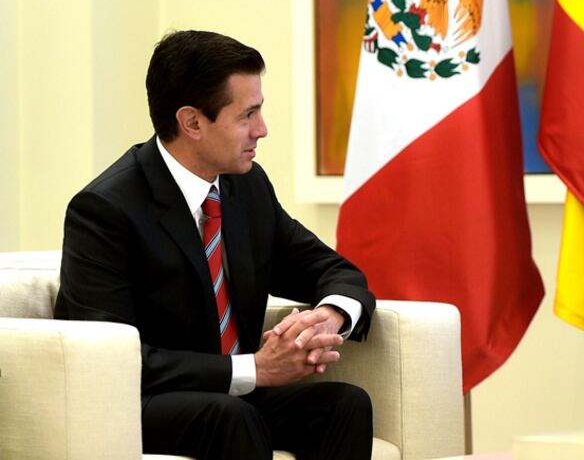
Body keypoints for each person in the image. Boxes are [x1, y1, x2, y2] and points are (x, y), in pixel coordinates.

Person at [55, 30, 377, 459]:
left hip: (229, 396)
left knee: (344, 404)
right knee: (228, 416)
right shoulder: (104, 211)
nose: (262, 130)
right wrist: (256, 369)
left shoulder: (246, 188)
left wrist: (329, 316)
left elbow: (333, 269)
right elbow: (114, 359)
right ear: (192, 123)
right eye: (248, 115)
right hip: (143, 401)